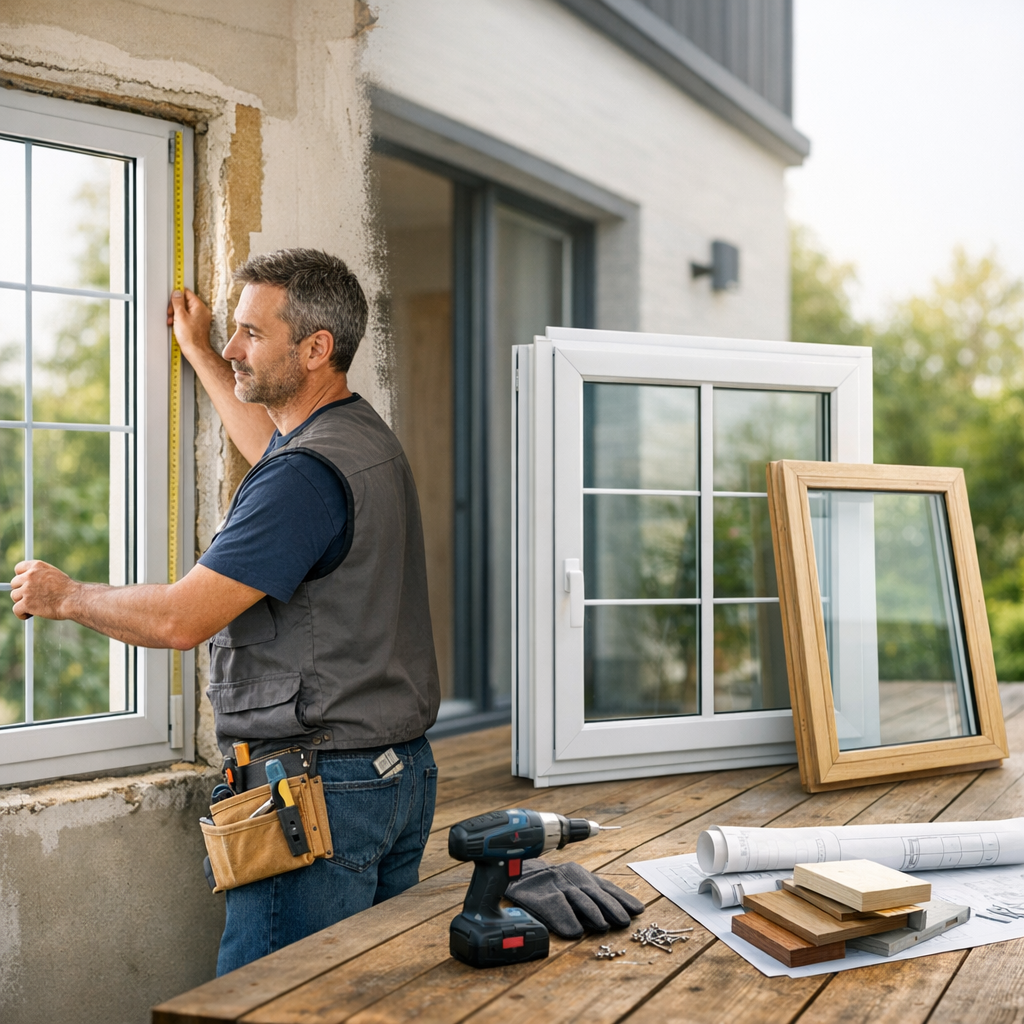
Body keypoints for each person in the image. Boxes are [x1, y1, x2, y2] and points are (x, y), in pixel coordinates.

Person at [9, 248, 441, 974]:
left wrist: (68, 596)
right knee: (359, 998)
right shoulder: (357, 439)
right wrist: (203, 354)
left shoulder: (304, 479)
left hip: (321, 795)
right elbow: (271, 447)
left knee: (272, 1002)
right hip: (394, 776)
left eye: (250, 334)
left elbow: (183, 619)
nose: (235, 347)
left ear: (315, 349)